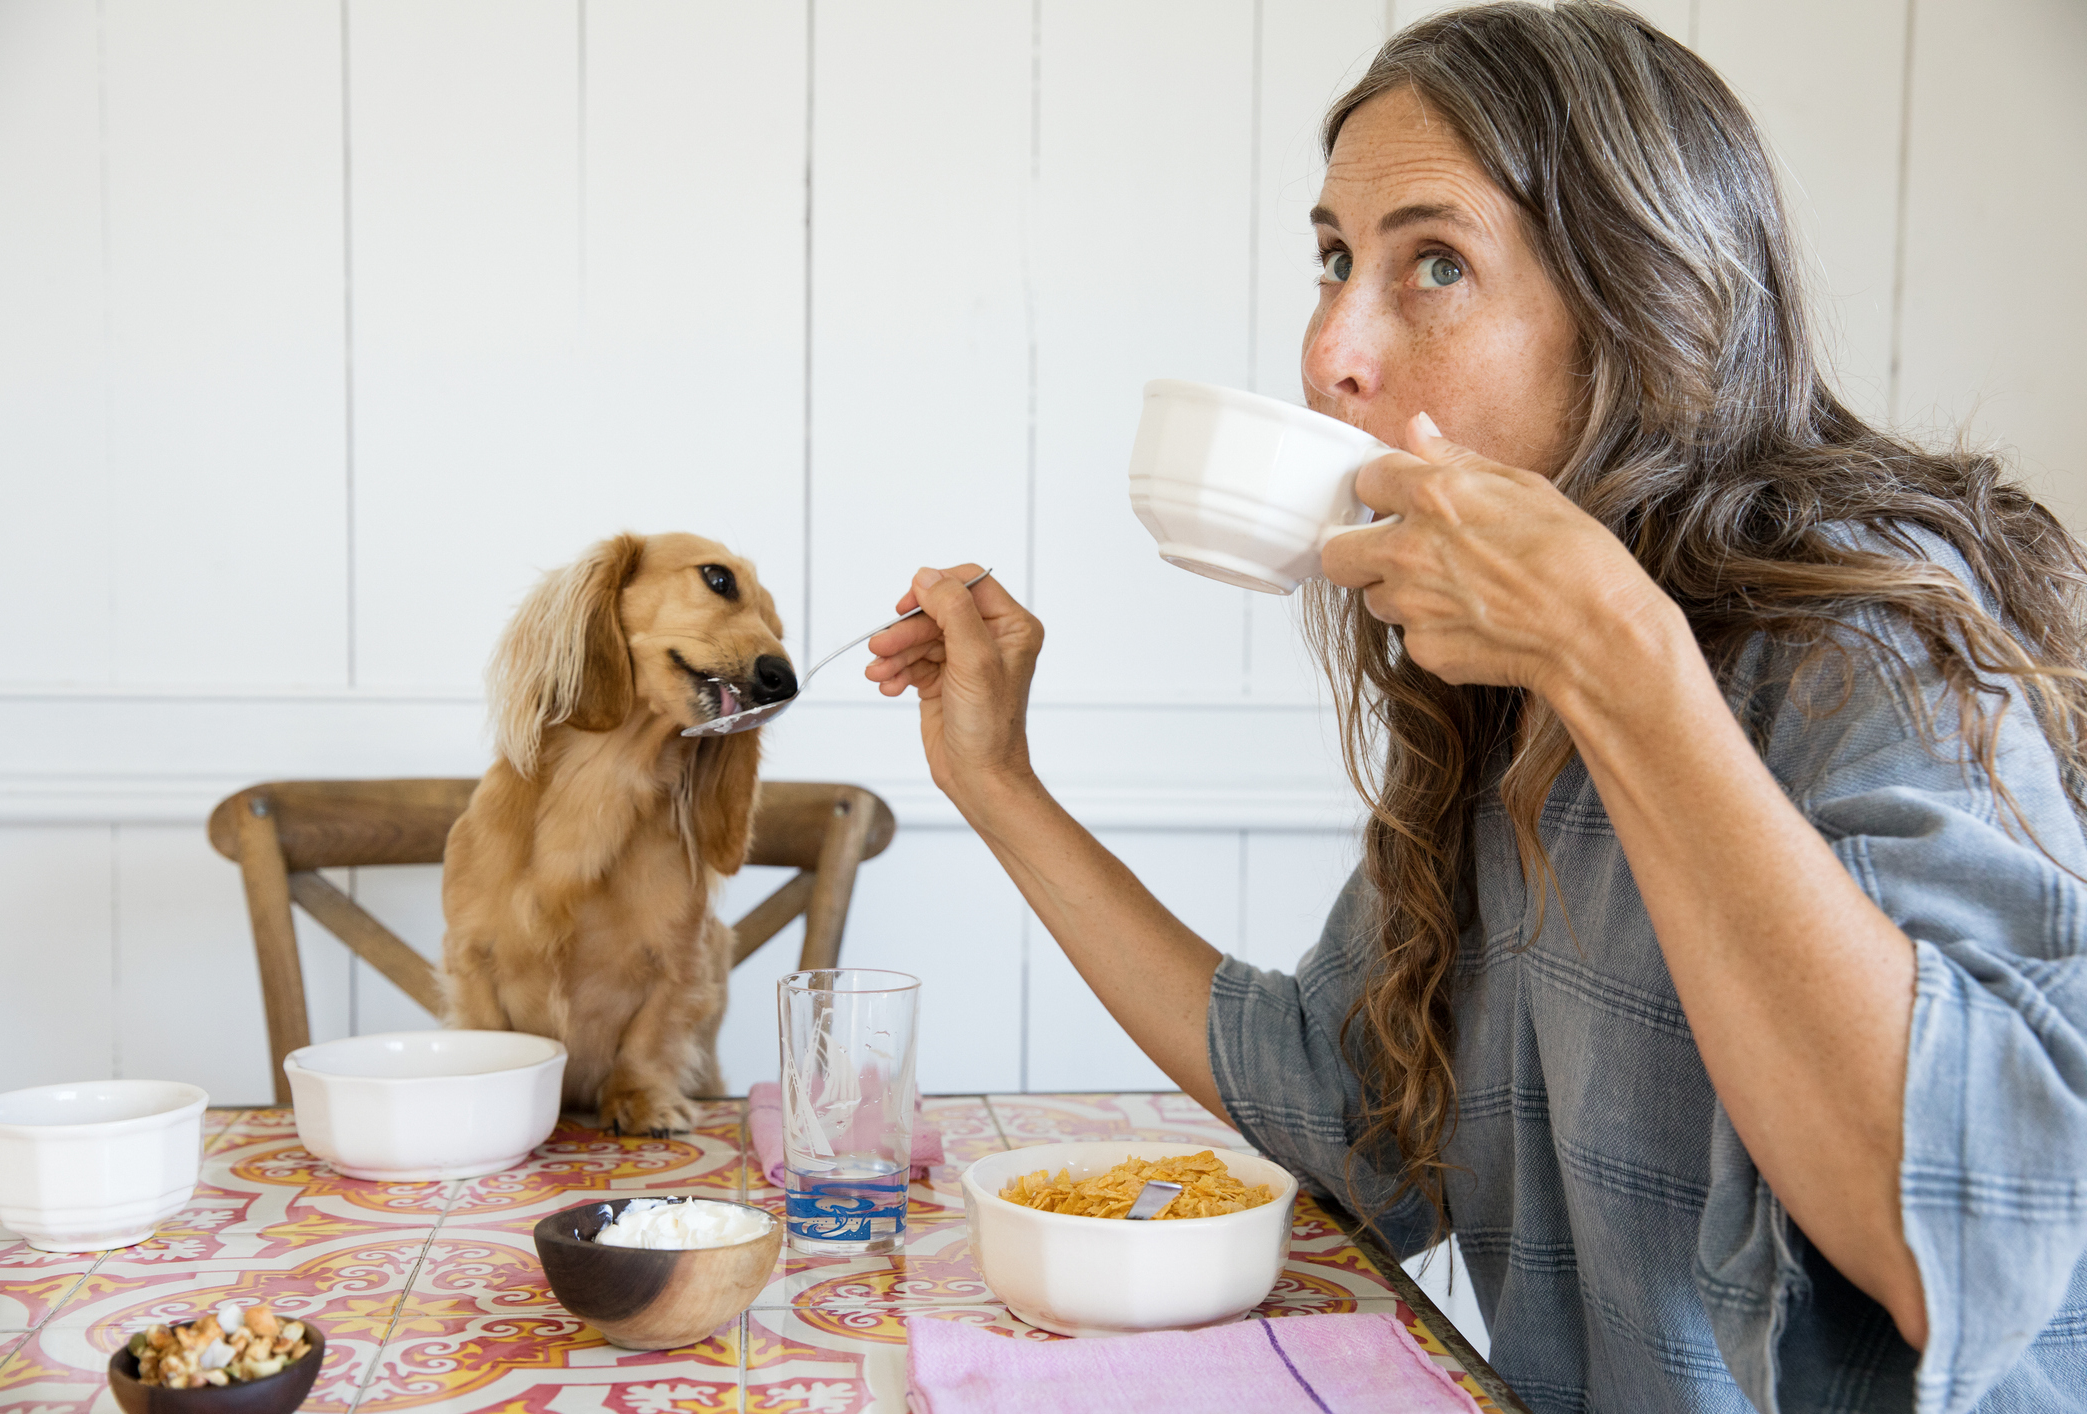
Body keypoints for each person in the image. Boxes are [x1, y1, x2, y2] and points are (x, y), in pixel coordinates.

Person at [866, 3, 2087, 1411]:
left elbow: (1971, 1241)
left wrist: (1618, 660)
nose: (1331, 346)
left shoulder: (1868, 636)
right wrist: (998, 783)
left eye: (1432, 263)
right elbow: (1340, 1112)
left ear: (1641, 306)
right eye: (1333, 259)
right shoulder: (1496, 695)